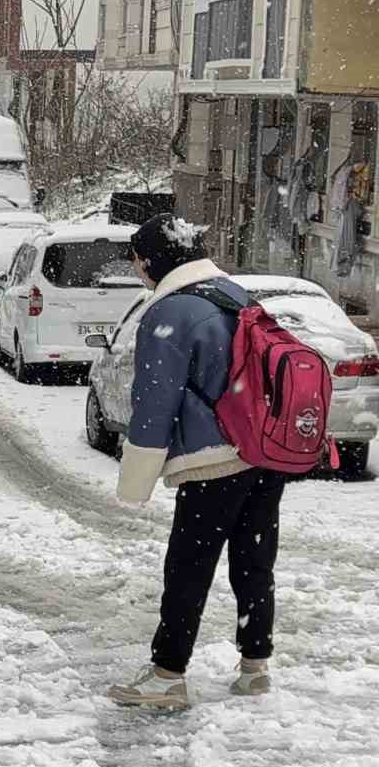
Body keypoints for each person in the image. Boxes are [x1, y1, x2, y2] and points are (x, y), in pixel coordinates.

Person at [107, 213, 284, 709]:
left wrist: (135, 482)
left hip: (213, 461)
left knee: (188, 565)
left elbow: (155, 403)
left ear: (153, 261)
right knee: (253, 560)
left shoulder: (170, 314)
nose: (139, 270)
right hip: (261, 453)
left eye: (139, 260)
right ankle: (255, 667)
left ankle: (168, 674)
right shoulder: (235, 295)